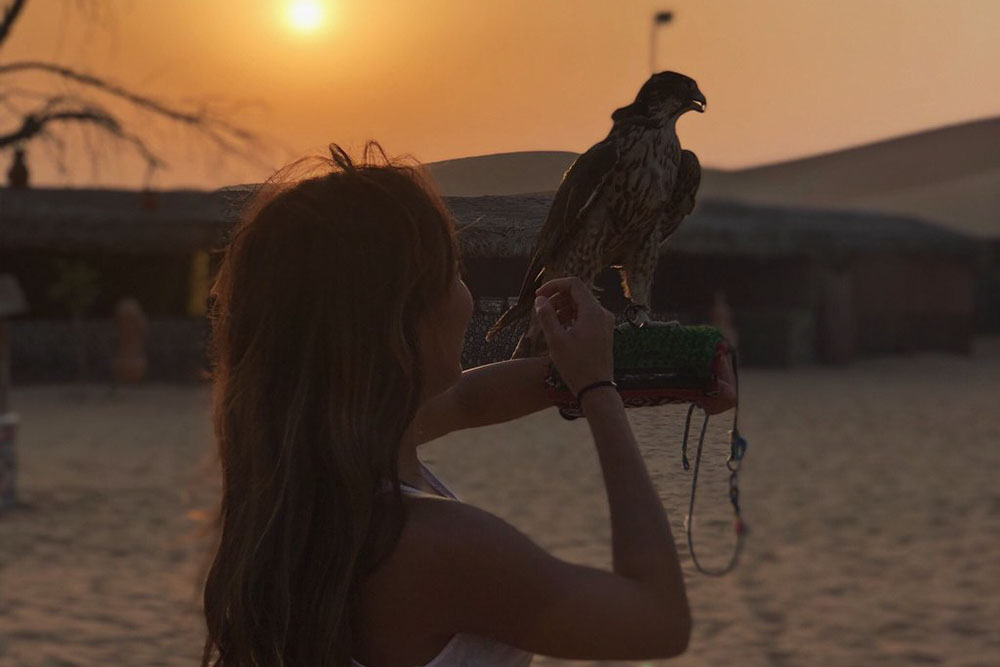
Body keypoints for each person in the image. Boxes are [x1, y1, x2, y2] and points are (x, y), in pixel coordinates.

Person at [199, 141, 690, 667]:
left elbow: (469, 400)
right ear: (402, 320)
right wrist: (600, 393)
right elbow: (656, 621)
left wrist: (654, 373)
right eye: (454, 272)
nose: (466, 295)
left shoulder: (301, 480)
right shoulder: (441, 547)